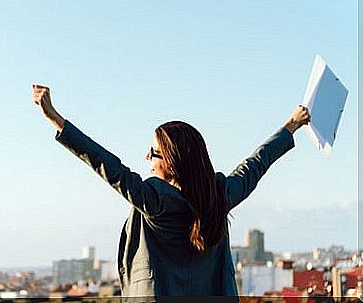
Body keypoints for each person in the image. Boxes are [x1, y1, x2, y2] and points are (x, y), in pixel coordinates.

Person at [31, 84, 311, 298]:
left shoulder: (154, 200)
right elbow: (257, 163)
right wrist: (292, 124)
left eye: (153, 153)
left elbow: (105, 163)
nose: (146, 158)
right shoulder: (220, 195)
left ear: (172, 161)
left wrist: (55, 118)